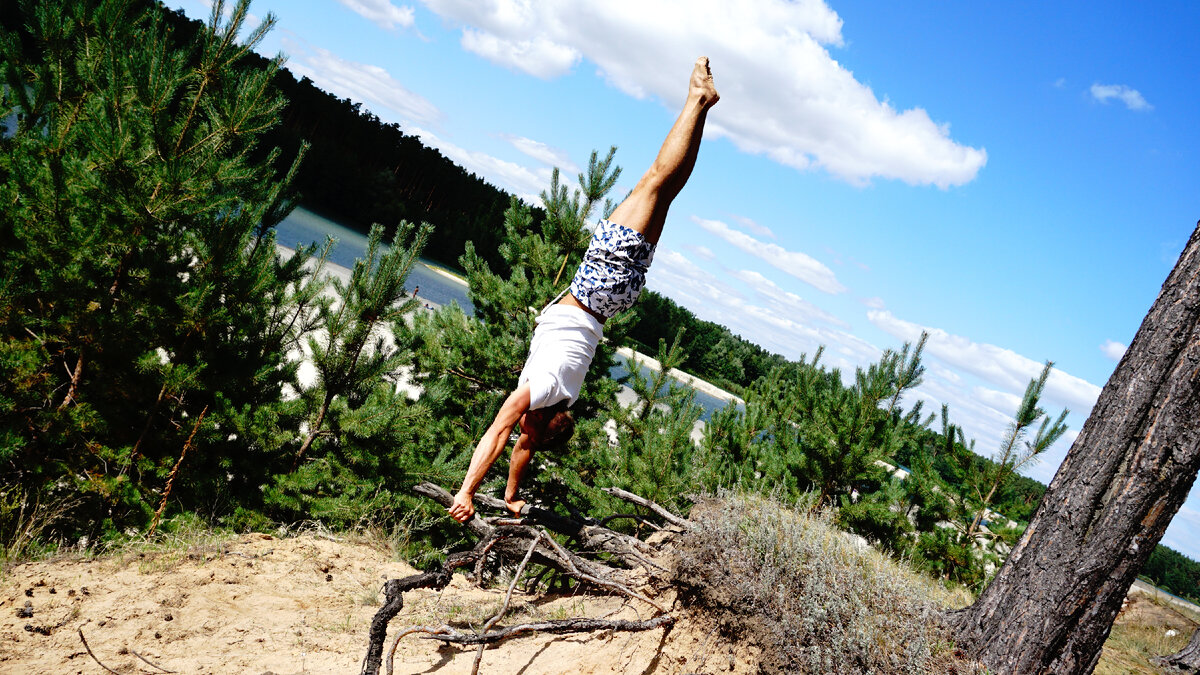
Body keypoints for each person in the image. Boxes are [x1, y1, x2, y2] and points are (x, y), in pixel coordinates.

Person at [448, 57, 719, 523]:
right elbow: (499, 433)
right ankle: (697, 101)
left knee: (663, 189)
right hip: (597, 287)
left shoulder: (562, 397)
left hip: (612, 298)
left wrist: (511, 495)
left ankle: (702, 105)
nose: (520, 430)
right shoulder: (547, 387)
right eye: (528, 428)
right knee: (655, 181)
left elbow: (521, 449)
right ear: (539, 418)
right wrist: (467, 490)